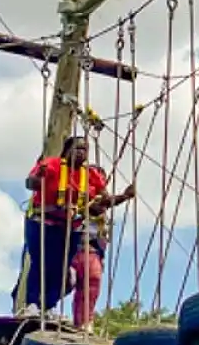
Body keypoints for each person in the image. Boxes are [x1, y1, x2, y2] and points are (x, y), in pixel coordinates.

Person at [13, 136, 122, 322]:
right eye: (78, 148)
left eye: (85, 149)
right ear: (67, 150)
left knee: (60, 268)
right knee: (41, 263)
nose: (81, 152)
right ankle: (31, 304)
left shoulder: (91, 175)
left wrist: (124, 197)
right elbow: (31, 183)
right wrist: (39, 177)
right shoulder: (53, 165)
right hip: (42, 222)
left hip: (69, 227)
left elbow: (105, 200)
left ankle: (48, 306)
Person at [70, 177, 136, 331]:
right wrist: (123, 197)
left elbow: (102, 204)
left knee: (91, 284)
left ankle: (83, 321)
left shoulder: (99, 200)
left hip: (92, 251)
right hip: (73, 249)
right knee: (70, 281)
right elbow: (97, 205)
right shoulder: (81, 196)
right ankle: (44, 306)